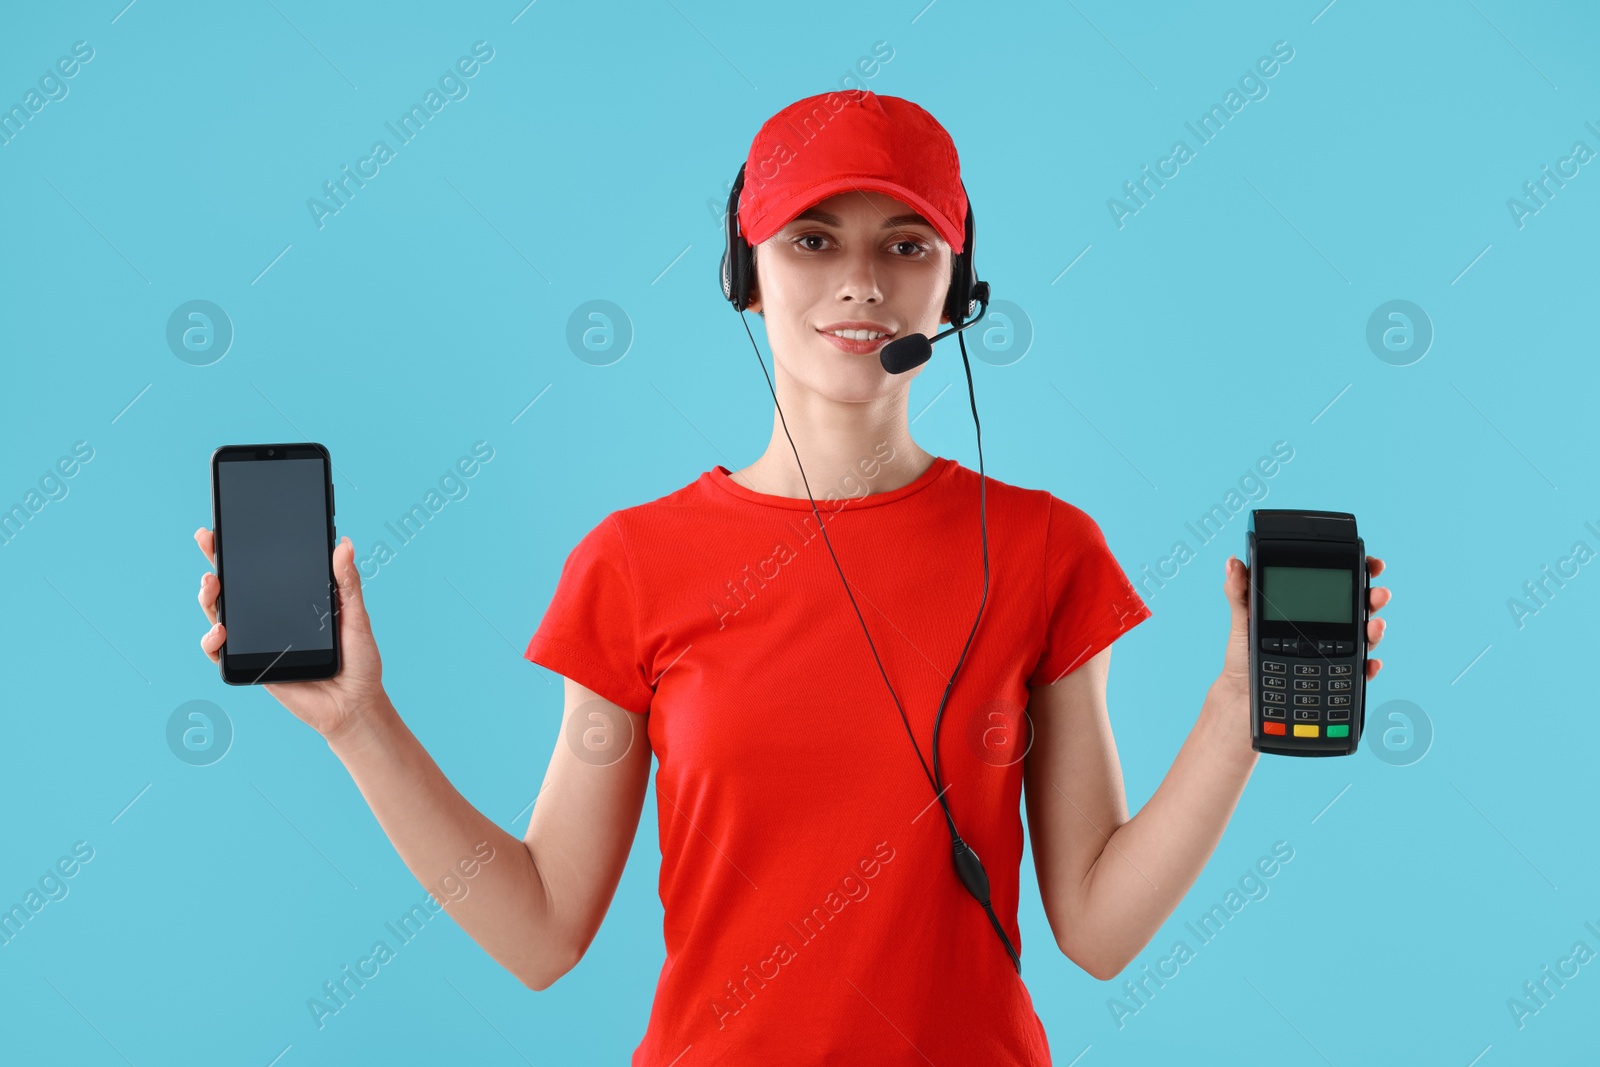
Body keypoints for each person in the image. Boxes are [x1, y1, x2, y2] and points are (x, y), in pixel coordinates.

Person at [192, 89, 1392, 1064]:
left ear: (957, 287)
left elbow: (1095, 924)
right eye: (812, 240)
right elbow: (544, 923)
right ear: (743, 272)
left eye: (904, 244)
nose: (859, 282)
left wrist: (1238, 719)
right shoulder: (633, 563)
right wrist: (359, 723)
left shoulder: (1040, 550)